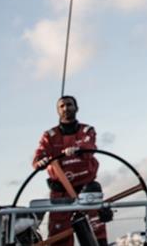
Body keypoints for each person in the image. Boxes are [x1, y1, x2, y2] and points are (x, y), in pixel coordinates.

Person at [32, 95, 107, 246]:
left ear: (76, 108)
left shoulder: (87, 130)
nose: (66, 108)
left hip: (86, 191)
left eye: (69, 105)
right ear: (57, 111)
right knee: (59, 237)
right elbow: (37, 159)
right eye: (62, 106)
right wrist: (41, 161)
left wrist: (78, 149)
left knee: (96, 235)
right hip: (60, 194)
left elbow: (90, 147)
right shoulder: (49, 136)